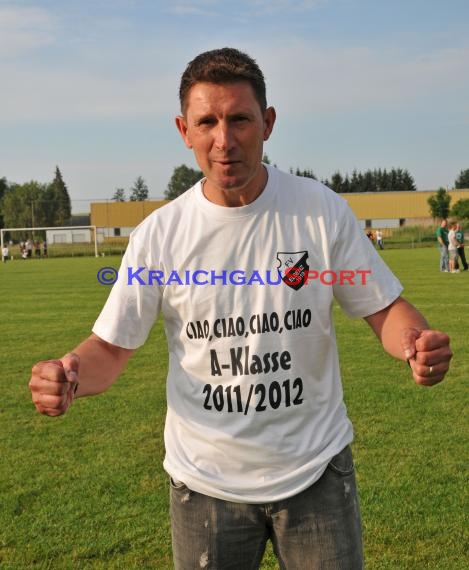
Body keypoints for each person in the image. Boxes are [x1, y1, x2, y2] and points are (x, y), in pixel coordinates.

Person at [29, 47, 452, 569]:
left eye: (240, 120)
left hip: (315, 473)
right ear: (185, 130)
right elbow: (111, 348)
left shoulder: (319, 211)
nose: (223, 140)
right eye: (207, 122)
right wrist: (69, 374)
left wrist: (415, 342)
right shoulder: (160, 236)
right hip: (205, 485)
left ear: (268, 123)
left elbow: (384, 310)